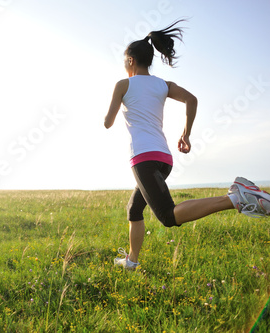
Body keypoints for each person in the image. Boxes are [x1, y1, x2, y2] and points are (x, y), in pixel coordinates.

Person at [104, 19, 270, 271]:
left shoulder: (123, 84)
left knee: (168, 217)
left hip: (144, 158)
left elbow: (107, 122)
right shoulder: (163, 84)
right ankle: (131, 261)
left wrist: (117, 108)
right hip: (164, 158)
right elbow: (192, 99)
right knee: (134, 209)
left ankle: (235, 198)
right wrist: (186, 134)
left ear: (130, 61)